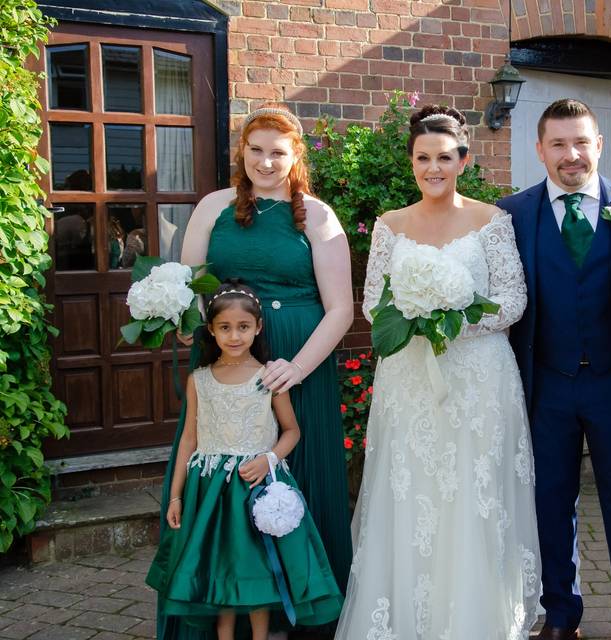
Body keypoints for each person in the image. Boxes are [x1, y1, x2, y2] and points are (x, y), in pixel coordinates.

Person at [334, 105, 540, 639]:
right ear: (411, 161)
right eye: (423, 158)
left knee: (472, 494)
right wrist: (417, 322)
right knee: (413, 494)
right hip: (409, 382)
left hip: (478, 381)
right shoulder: (389, 226)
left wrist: (450, 322)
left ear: (463, 161)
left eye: (444, 158)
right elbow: (374, 305)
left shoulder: (492, 221)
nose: (433, 168)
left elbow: (513, 301)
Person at [161, 103, 354, 639]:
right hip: (228, 355)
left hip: (297, 357)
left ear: (295, 157)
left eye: (277, 152)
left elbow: (341, 308)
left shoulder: (316, 215)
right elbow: (191, 284)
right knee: (217, 467)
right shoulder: (214, 206)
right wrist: (189, 326)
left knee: (300, 471)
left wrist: (295, 367)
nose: (265, 162)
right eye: (255, 150)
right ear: (241, 152)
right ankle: (222, 604)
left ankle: (305, 615)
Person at [498, 98, 611, 640]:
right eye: (559, 144)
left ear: (599, 144)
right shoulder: (513, 214)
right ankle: (561, 613)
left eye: (582, 142)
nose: (572, 155)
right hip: (546, 383)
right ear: (540, 149)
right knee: (550, 501)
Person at [146, 283, 343, 639]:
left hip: (256, 489)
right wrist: (175, 496)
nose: (234, 335)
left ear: (258, 328)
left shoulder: (268, 379)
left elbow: (292, 432)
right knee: (219, 567)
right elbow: (188, 440)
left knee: (258, 568)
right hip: (210, 497)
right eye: (225, 327)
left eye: (243, 327)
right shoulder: (199, 381)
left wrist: (269, 460)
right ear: (211, 330)